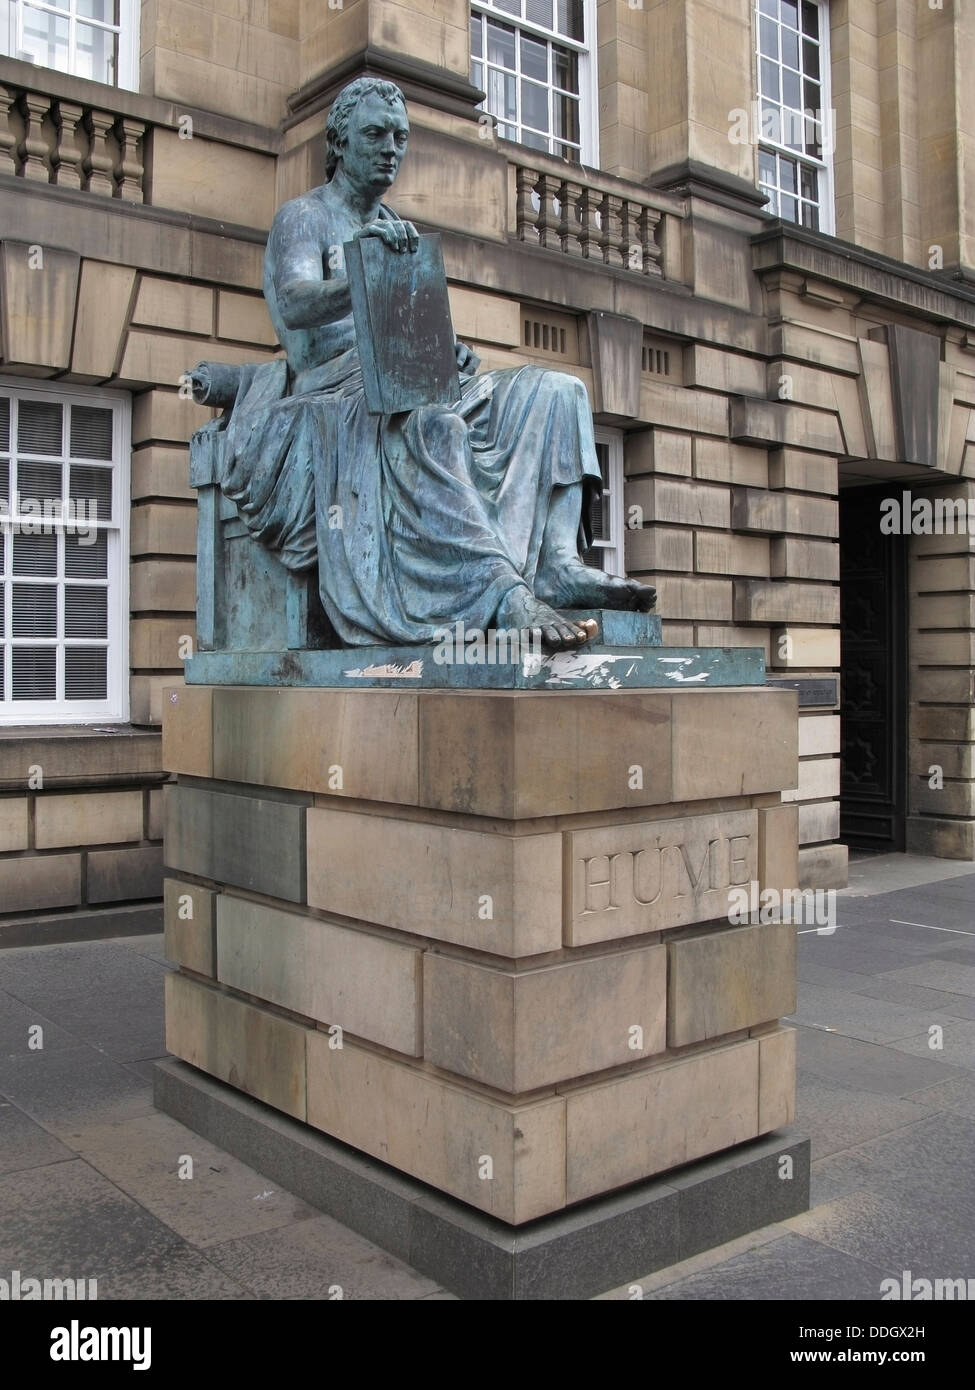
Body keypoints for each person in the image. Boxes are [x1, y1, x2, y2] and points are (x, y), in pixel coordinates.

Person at [206, 77, 656, 650]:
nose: (390, 147)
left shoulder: (399, 226)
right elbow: (294, 303)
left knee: (558, 390)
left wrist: (448, 350)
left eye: (400, 136)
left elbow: (409, 325)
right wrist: (362, 270)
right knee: (434, 426)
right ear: (339, 143)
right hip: (341, 389)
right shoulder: (304, 217)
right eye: (375, 134)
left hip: (413, 377)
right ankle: (500, 592)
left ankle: (557, 562)